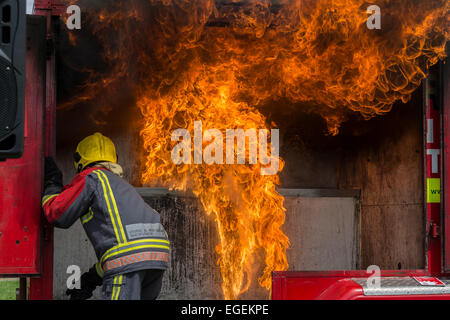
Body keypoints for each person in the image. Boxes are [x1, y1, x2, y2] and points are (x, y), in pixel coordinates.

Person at [42, 132, 170, 300]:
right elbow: (129, 246)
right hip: (157, 259)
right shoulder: (123, 187)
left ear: (80, 161)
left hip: (130, 262)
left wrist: (52, 184)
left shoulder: (92, 178)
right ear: (114, 159)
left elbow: (56, 214)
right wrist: (91, 278)